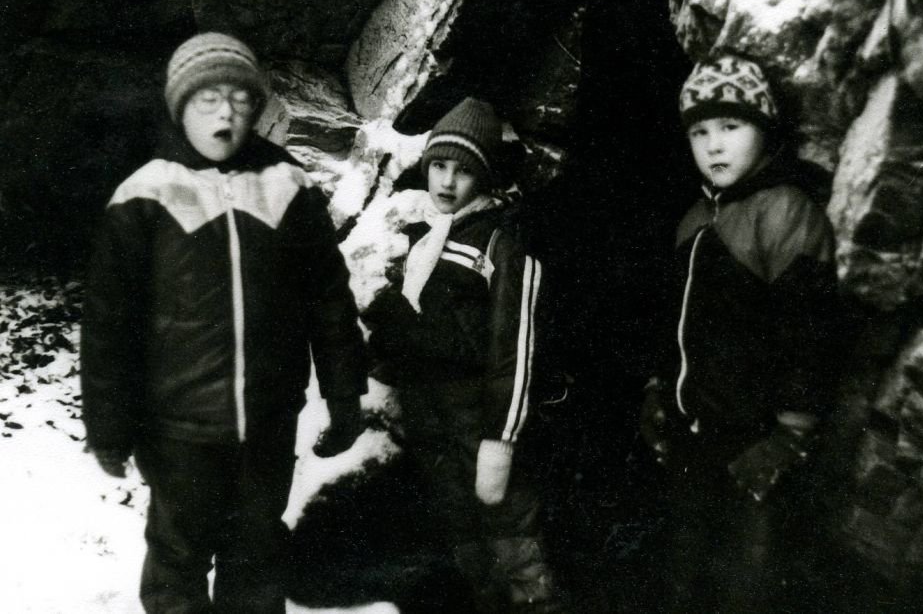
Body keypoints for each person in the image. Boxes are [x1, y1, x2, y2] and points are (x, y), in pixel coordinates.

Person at [80, 32, 370, 613]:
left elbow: (328, 301)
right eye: (208, 99)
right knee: (177, 560)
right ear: (179, 107)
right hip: (178, 428)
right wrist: (108, 425)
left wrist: (344, 395)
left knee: (256, 558)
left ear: (257, 109)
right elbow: (110, 325)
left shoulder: (288, 185)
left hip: (267, 421)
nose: (225, 114)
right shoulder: (146, 194)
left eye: (239, 99)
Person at [640, 54, 840, 612]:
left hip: (756, 444)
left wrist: (790, 435)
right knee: (684, 574)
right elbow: (674, 322)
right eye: (699, 132)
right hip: (693, 436)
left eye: (731, 127)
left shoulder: (785, 212)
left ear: (765, 131)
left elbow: (812, 331)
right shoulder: (693, 220)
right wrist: (658, 390)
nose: (714, 146)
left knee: (747, 583)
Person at [361, 97, 563, 613]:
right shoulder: (428, 238)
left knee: (510, 531)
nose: (447, 181)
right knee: (463, 539)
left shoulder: (503, 240)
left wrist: (502, 440)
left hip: (481, 421)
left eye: (464, 171)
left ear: (485, 177)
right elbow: (427, 330)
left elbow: (516, 345)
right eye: (439, 166)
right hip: (433, 421)